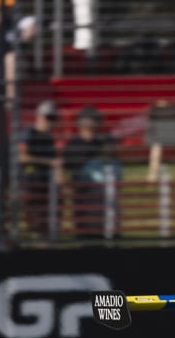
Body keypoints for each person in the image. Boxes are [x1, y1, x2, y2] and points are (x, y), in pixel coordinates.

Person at [62, 106, 120, 239]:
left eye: (95, 120)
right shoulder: (73, 144)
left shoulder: (105, 142)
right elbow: (65, 167)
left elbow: (114, 164)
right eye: (88, 120)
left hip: (102, 194)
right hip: (81, 194)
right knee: (84, 230)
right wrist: (66, 187)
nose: (92, 123)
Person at [17, 100, 62, 237]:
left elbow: (55, 162)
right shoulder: (29, 133)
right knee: (35, 223)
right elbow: (22, 157)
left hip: (45, 186)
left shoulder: (49, 138)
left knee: (47, 223)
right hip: (31, 184)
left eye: (53, 118)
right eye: (49, 117)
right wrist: (49, 162)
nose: (51, 121)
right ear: (39, 116)